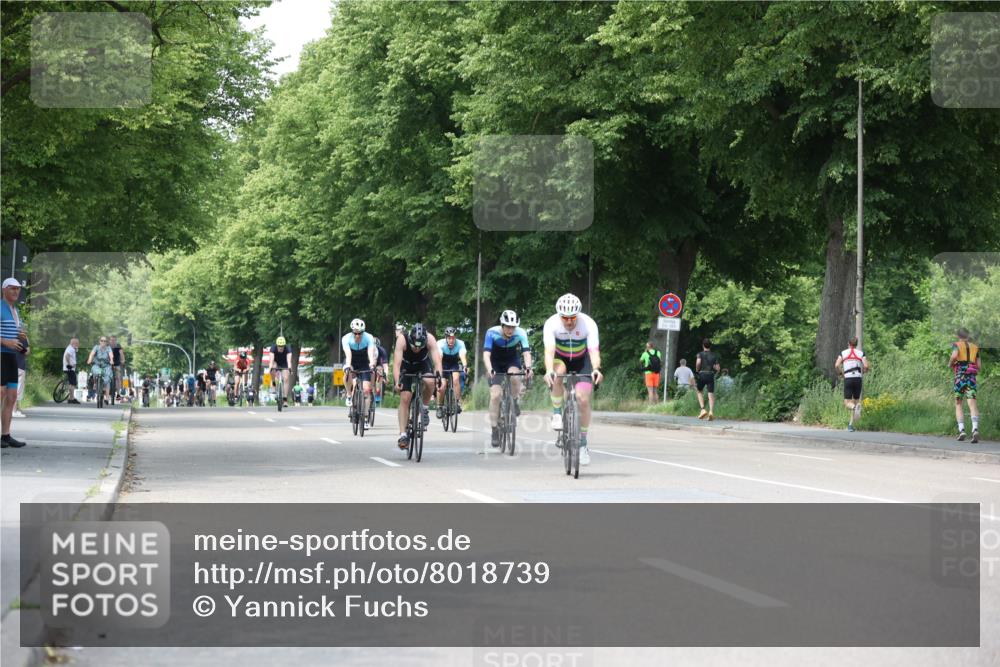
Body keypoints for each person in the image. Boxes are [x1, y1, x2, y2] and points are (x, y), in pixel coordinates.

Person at [543, 294, 601, 465]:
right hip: (560, 358)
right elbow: (549, 351)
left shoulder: (588, 324)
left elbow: (594, 352)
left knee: (583, 399)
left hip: (581, 360)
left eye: (572, 318)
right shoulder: (551, 323)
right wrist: (548, 370)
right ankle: (556, 414)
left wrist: (596, 368)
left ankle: (583, 444)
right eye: (565, 318)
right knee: (558, 372)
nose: (569, 322)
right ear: (559, 315)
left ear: (578, 314)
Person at [484, 310, 533, 448]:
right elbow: (486, 354)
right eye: (508, 326)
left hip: (511, 360)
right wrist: (490, 369)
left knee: (515, 377)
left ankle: (514, 401)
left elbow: (526, 352)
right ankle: (494, 429)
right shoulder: (491, 332)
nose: (511, 330)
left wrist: (528, 367)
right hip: (495, 363)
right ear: (502, 324)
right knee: (495, 396)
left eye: (513, 327)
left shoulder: (521, 333)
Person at [393, 323, 443, 450]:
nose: (417, 349)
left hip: (422, 363)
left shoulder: (430, 339)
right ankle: (403, 434)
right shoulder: (402, 340)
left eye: (420, 347)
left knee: (430, 381)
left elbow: (437, 361)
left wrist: (440, 379)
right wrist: (397, 382)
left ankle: (424, 408)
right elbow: (397, 365)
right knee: (405, 396)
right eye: (414, 346)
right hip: (406, 365)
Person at [1, 278, 28, 448]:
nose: (16, 292)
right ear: (4, 289)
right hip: (1, 354)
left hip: (12, 357)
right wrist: (5, 342)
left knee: (11, 397)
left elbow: (16, 333)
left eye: (18, 289)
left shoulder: (15, 311)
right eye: (12, 289)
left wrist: (21, 338)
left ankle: (6, 435)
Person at [950, 328, 982, 443]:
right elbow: (979, 366)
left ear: (958, 336)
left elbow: (954, 356)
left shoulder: (956, 345)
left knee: (958, 403)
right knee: (972, 403)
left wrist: (950, 364)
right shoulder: (975, 347)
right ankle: (975, 429)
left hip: (960, 377)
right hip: (971, 378)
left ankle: (962, 430)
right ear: (968, 335)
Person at [342, 319, 377, 419]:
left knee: (366, 389)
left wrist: (371, 364)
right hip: (351, 360)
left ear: (363, 332)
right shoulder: (346, 338)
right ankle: (349, 395)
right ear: (352, 332)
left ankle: (365, 416)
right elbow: (348, 355)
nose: (357, 335)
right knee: (347, 372)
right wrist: (348, 366)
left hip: (363, 362)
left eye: (360, 333)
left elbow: (370, 352)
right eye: (355, 333)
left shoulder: (369, 337)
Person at [834, 336, 870, 432]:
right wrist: (863, 372)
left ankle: (854, 408)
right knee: (856, 400)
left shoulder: (843, 353)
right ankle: (851, 425)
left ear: (848, 343)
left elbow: (837, 365)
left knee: (847, 403)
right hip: (858, 378)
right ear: (857, 344)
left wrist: (841, 373)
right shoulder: (861, 353)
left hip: (848, 378)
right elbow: (866, 366)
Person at [436, 327, 468, 417]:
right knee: (442, 385)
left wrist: (465, 366)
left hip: (454, 363)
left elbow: (462, 355)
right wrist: (438, 370)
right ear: (446, 338)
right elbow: (439, 357)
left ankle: (457, 403)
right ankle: (439, 407)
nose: (451, 340)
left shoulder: (460, 343)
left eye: (453, 338)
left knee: (456, 380)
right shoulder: (440, 344)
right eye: (449, 338)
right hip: (442, 363)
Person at [695, 339, 721, 420]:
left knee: (699, 391)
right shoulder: (714, 355)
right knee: (711, 393)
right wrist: (714, 368)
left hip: (702, 374)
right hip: (710, 375)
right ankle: (711, 412)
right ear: (710, 346)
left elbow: (698, 362)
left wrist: (697, 369)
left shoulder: (700, 354)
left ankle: (703, 410)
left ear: (703, 345)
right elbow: (718, 368)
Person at [87, 336, 114, 405]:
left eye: (105, 341)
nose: (103, 342)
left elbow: (111, 355)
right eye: (102, 340)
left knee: (107, 379)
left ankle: (107, 398)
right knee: (94, 369)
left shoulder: (108, 348)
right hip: (97, 365)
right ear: (99, 341)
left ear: (106, 342)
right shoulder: (96, 347)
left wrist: (111, 360)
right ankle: (95, 383)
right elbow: (92, 354)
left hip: (106, 366)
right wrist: (90, 359)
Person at [268, 336, 293, 407]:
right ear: (277, 345)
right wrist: (270, 368)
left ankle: (285, 399)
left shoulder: (288, 349)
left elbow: (289, 361)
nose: (281, 347)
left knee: (286, 378)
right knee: (273, 367)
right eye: (279, 346)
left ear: (284, 345)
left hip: (284, 363)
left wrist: (290, 369)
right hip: (276, 361)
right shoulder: (273, 348)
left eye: (282, 346)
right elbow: (271, 360)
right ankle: (273, 382)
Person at [63, 337, 81, 404]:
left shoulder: (71, 348)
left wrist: (76, 348)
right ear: (74, 343)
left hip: (68, 368)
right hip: (69, 368)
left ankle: (70, 398)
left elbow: (75, 351)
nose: (78, 344)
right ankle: (72, 398)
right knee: (72, 384)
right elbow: (67, 356)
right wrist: (70, 364)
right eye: (77, 343)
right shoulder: (71, 349)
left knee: (71, 383)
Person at [373, 337, 389, 407]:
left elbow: (385, 366)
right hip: (367, 363)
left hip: (378, 364)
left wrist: (386, 376)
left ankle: (377, 390)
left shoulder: (382, 350)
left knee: (380, 369)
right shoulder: (365, 348)